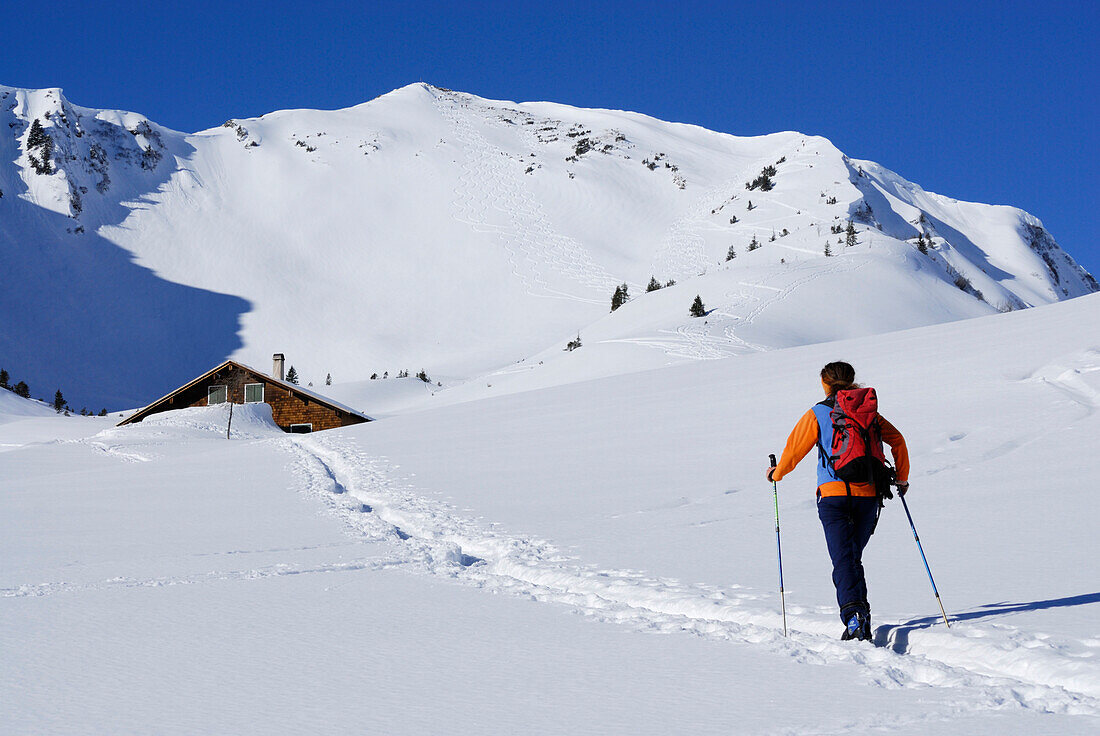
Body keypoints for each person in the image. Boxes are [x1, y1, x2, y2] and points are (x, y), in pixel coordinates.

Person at [766, 361, 909, 641]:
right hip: (868, 496)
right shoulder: (870, 413)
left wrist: (776, 474)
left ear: (825, 382)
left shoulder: (818, 412)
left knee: (845, 558)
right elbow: (898, 441)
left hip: (833, 497)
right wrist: (902, 479)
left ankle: (856, 618)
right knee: (850, 557)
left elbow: (794, 451)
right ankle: (859, 613)